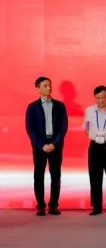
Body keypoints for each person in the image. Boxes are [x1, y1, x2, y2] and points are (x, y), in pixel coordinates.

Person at [25, 76, 68, 216]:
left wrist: (54, 144)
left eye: (49, 85)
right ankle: (41, 206)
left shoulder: (60, 106)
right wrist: (41, 145)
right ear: (37, 88)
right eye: (45, 85)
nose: (49, 88)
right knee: (39, 175)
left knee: (56, 176)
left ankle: (53, 206)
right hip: (40, 146)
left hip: (55, 145)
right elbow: (30, 129)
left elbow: (63, 128)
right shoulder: (32, 107)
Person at [83, 85, 106, 216]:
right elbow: (86, 127)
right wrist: (93, 138)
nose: (100, 100)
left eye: (103, 97)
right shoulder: (89, 110)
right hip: (95, 147)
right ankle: (96, 206)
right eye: (97, 98)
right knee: (94, 177)